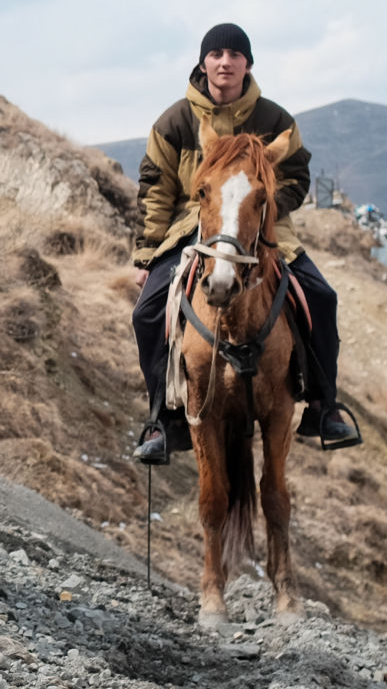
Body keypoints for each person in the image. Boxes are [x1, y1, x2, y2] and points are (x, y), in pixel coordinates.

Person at [128, 23, 362, 464]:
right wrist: (148, 252)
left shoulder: (274, 120)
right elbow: (156, 188)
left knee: (322, 299)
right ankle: (164, 419)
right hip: (191, 228)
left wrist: (264, 208)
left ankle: (323, 408)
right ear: (203, 63)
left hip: (260, 228)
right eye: (216, 54)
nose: (225, 62)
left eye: (235, 55)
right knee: (146, 313)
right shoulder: (175, 121)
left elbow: (296, 177)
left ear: (247, 65)